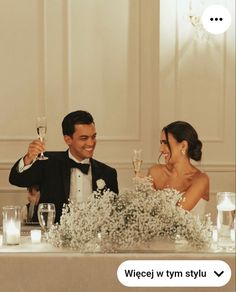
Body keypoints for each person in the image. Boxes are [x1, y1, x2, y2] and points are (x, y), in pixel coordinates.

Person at [9, 110, 119, 223]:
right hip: (52, 237)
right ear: (68, 139)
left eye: (93, 137)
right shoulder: (48, 163)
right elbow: (16, 179)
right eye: (84, 138)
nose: (91, 143)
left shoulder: (108, 173)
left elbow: (113, 215)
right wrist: (28, 158)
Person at [148, 121, 209, 211]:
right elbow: (145, 211)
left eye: (165, 143)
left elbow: (176, 217)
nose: (160, 149)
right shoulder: (154, 172)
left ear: (183, 146)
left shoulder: (201, 180)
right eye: (161, 143)